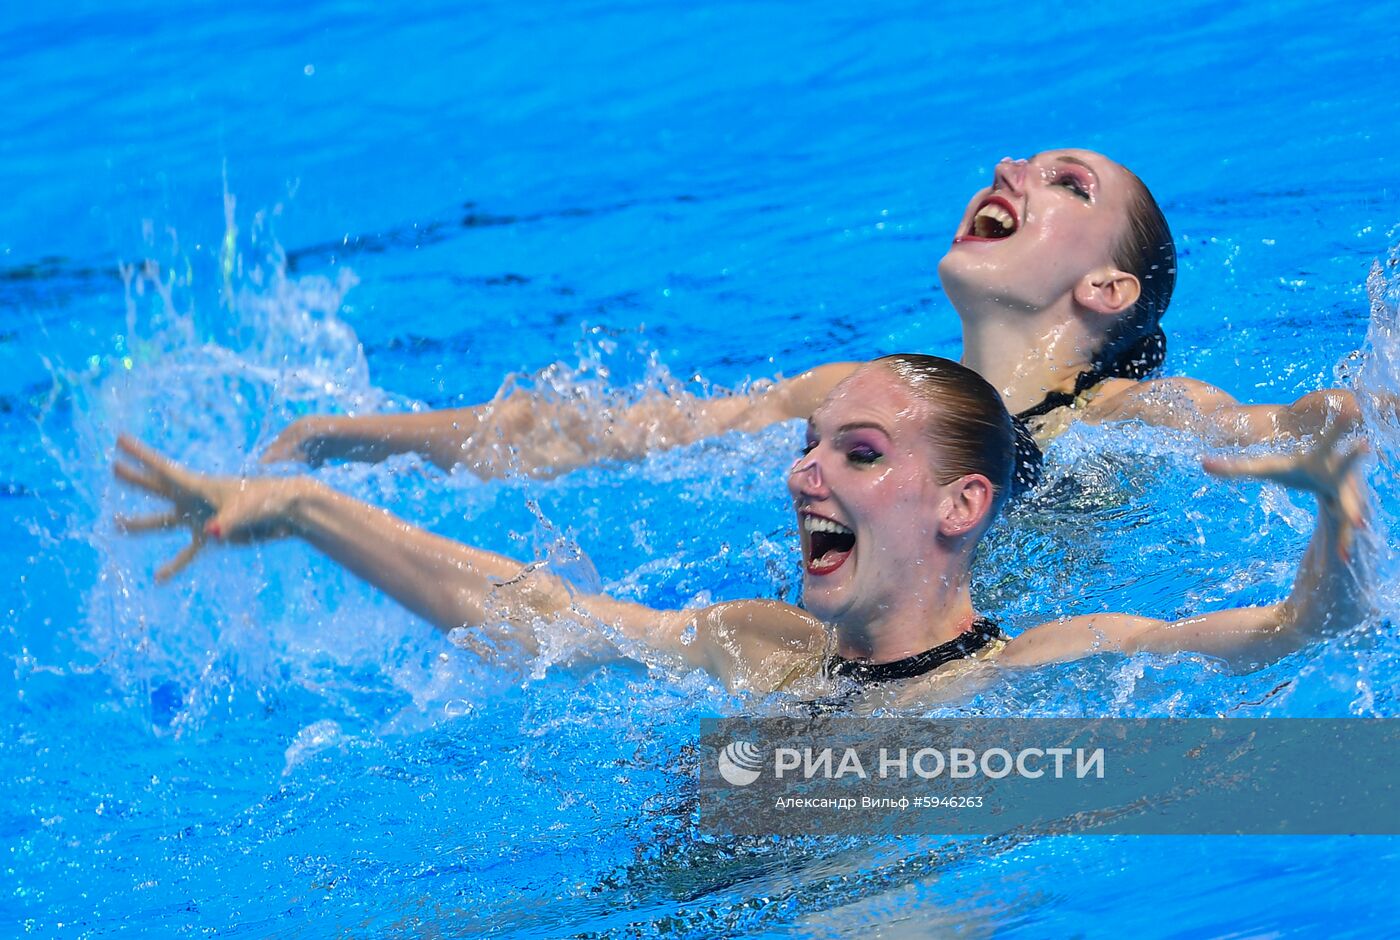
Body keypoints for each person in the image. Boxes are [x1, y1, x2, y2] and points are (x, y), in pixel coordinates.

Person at [113, 355, 1371, 706]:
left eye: (857, 455)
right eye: (810, 447)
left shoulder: (1035, 667)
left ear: (961, 506)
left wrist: (1338, 517)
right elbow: (532, 616)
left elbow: (1291, 633)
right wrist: (309, 506)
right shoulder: (757, 646)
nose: (802, 472)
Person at [258, 150, 1361, 492]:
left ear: (1107, 291)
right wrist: (336, 435)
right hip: (816, 685)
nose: (1008, 169)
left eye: (1066, 184)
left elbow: (1297, 422)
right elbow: (600, 432)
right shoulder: (853, 395)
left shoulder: (1121, 414)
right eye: (1022, 162)